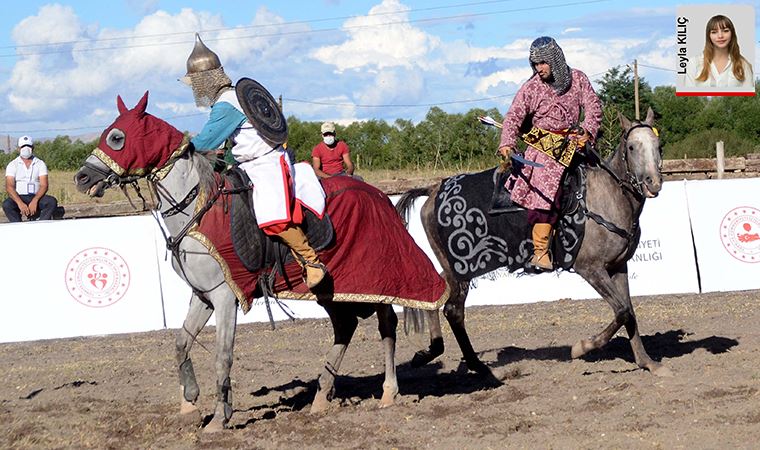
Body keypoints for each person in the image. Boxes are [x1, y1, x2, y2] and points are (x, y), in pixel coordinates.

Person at [182, 34, 327, 288]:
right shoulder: (230, 99)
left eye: (195, 83)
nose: (195, 89)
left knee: (273, 220)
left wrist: (179, 149)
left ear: (204, 80)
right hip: (249, 166)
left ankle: (311, 260)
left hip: (266, 166)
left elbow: (204, 142)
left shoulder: (227, 105)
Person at [498, 36, 602, 271]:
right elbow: (513, 117)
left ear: (555, 59)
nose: (539, 68)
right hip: (543, 147)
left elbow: (594, 106)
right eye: (535, 64)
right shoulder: (531, 87)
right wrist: (507, 143)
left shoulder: (578, 78)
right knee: (548, 180)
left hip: (575, 141)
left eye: (543, 63)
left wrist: (588, 131)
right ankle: (541, 252)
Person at [684, 14, 754, 89]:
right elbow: (688, 97)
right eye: (714, 32)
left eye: (725, 31)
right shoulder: (694, 63)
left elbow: (748, 97)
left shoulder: (743, 65)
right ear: (709, 36)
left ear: (732, 34)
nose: (720, 36)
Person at [3, 135, 58, 222]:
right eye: (23, 146)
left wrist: (35, 201)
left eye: (28, 146)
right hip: (19, 197)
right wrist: (20, 203)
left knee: (51, 202)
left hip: (37, 197)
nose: (26, 149)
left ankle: (42, 224)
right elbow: (9, 186)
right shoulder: (12, 164)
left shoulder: (40, 163)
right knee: (7, 205)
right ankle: (17, 227)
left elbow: (44, 185)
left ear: (33, 148)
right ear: (18, 148)